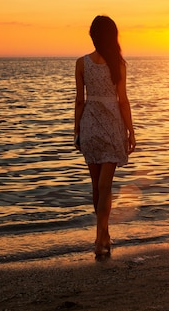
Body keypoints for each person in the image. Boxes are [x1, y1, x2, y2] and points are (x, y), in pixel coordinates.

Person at [74, 15, 136, 258]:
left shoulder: (81, 63)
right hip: (111, 126)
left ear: (92, 35)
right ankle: (101, 237)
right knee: (105, 186)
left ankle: (103, 235)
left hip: (90, 125)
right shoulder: (118, 64)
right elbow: (123, 101)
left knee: (97, 186)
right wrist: (131, 130)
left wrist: (77, 129)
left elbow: (80, 100)